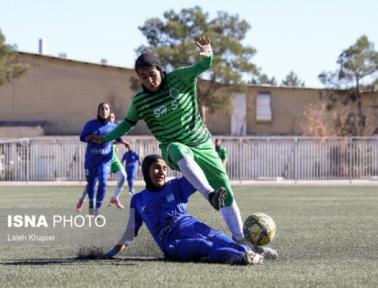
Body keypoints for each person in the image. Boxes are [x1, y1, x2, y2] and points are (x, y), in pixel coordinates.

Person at [87, 35, 277, 257]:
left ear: (160, 69)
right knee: (178, 149)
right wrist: (105, 138)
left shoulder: (179, 78)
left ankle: (243, 241)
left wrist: (206, 50)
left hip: (202, 143)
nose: (149, 80)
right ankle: (209, 195)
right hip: (172, 146)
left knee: (225, 187)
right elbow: (127, 125)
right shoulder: (140, 102)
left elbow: (204, 65)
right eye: (143, 77)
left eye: (152, 74)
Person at [105, 154, 264, 265]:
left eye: (164, 168)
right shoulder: (138, 200)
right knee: (203, 245)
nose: (161, 172)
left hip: (196, 226)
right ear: (146, 171)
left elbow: (198, 174)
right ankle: (242, 258)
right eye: (156, 168)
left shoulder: (176, 186)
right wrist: (110, 254)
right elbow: (130, 233)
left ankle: (253, 253)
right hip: (174, 243)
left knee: (222, 239)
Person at [79, 103, 129, 215]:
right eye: (102, 109)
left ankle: (98, 208)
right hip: (91, 159)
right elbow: (82, 138)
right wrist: (90, 138)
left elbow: (119, 138)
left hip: (105, 160)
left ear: (109, 111)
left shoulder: (113, 127)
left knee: (103, 181)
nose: (104, 111)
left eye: (106, 109)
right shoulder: (90, 124)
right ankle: (91, 203)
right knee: (91, 184)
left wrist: (125, 141)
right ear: (98, 111)